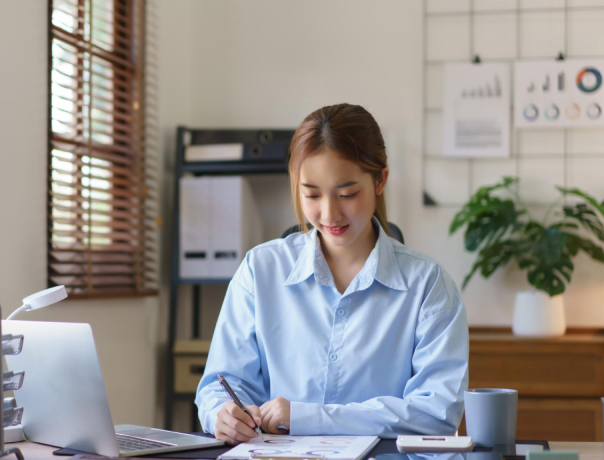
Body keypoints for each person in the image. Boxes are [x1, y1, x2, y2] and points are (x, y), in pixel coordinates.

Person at [194, 103, 469, 445]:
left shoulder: (428, 286)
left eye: (347, 194)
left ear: (380, 180)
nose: (329, 213)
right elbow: (220, 386)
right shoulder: (259, 270)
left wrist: (306, 416)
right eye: (311, 194)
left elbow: (436, 414)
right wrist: (222, 414)